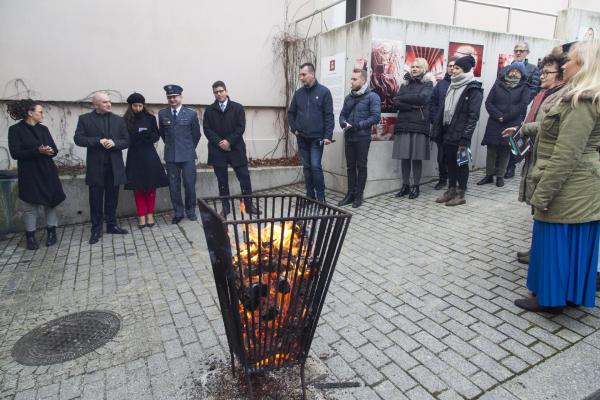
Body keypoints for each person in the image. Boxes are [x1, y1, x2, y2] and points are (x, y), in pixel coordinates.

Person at [514, 40, 600, 312]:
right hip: (580, 184)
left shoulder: (581, 101)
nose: (564, 64)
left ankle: (549, 299)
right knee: (574, 242)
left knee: (554, 241)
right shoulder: (581, 97)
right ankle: (570, 295)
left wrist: (543, 194)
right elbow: (557, 127)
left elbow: (566, 154)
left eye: (570, 60)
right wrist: (527, 128)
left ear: (584, 65)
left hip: (571, 184)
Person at [502, 51, 568, 265]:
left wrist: (524, 129)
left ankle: (538, 252)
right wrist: (520, 129)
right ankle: (535, 248)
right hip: (535, 151)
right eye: (542, 71)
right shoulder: (544, 93)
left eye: (547, 72)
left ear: (561, 74)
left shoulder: (563, 95)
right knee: (534, 204)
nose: (541, 76)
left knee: (541, 204)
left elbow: (550, 125)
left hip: (546, 155)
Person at [7, 99, 66, 250]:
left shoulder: (43, 129)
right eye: (40, 112)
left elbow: (54, 150)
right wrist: (37, 151)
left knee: (50, 202)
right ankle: (30, 237)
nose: (42, 115)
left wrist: (49, 150)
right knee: (29, 205)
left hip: (47, 171)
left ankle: (52, 233)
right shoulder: (15, 130)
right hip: (29, 172)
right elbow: (15, 153)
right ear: (30, 113)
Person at [74, 92, 129, 245]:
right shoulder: (85, 119)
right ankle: (96, 229)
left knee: (112, 198)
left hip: (114, 166)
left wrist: (115, 144)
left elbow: (126, 141)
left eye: (109, 101)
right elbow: (78, 139)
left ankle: (111, 225)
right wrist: (98, 141)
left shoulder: (119, 120)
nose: (109, 104)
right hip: (96, 167)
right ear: (96, 105)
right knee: (96, 200)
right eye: (104, 102)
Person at [432, 55, 483, 206]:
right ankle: (451, 190)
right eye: (452, 67)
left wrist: (466, 137)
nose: (453, 70)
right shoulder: (452, 85)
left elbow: (473, 117)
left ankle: (461, 193)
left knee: (462, 163)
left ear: (465, 70)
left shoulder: (473, 89)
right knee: (450, 162)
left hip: (461, 135)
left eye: (457, 68)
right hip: (448, 132)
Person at [203, 81, 259, 217]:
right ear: (214, 93)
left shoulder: (237, 108)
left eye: (221, 91)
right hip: (217, 151)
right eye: (216, 92)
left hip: (236, 149)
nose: (219, 94)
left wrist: (229, 141)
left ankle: (249, 205)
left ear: (226, 91)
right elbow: (207, 129)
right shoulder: (209, 110)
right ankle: (226, 207)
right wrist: (219, 142)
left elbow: (240, 127)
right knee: (222, 181)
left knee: (244, 178)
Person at [288, 63, 334, 202]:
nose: (301, 78)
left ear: (312, 74)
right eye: (300, 74)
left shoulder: (324, 92)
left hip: (317, 138)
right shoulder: (298, 94)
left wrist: (328, 136)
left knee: (315, 166)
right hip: (302, 137)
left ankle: (321, 197)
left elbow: (329, 115)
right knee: (307, 168)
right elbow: (291, 113)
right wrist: (294, 128)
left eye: (304, 74)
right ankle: (310, 195)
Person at [478, 62, 530, 187]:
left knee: (506, 150)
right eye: (512, 71)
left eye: (517, 71)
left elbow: (522, 105)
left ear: (522, 74)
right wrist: (498, 116)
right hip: (495, 122)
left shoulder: (524, 87)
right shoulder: (498, 84)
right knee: (492, 149)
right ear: (507, 71)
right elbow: (488, 102)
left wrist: (506, 117)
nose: (514, 73)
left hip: (511, 122)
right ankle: (489, 175)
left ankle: (500, 176)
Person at [123, 93, 169, 228]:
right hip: (134, 157)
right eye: (135, 106)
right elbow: (124, 138)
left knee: (150, 188)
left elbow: (156, 135)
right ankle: (141, 216)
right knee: (138, 189)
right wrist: (135, 136)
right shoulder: (125, 120)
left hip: (149, 155)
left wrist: (148, 135)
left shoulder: (150, 118)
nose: (138, 108)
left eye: (140, 105)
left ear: (143, 105)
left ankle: (150, 214)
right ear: (130, 106)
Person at [337, 69, 381, 208]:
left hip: (362, 137)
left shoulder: (373, 97)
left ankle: (359, 195)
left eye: (354, 79)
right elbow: (342, 114)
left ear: (362, 80)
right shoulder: (349, 97)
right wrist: (343, 123)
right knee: (350, 166)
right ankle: (350, 194)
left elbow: (375, 117)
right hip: (349, 136)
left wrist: (357, 126)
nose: (351, 81)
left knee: (361, 166)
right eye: (351, 79)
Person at [158, 84, 201, 224]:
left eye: (175, 96)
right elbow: (163, 134)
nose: (172, 99)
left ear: (180, 97)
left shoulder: (191, 114)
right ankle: (178, 212)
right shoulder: (162, 114)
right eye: (169, 97)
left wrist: (188, 148)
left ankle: (191, 211)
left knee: (189, 185)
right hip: (171, 156)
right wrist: (172, 147)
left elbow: (196, 135)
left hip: (187, 156)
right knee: (173, 186)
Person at [392, 58, 434, 200]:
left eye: (417, 67)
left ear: (423, 69)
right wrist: (411, 105)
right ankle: (405, 185)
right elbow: (396, 102)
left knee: (416, 157)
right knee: (405, 157)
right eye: (412, 66)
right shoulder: (404, 83)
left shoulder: (428, 83)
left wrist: (404, 98)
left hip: (419, 125)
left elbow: (422, 99)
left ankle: (416, 186)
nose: (414, 69)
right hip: (404, 124)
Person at [502, 42, 541, 179]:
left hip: (520, 108)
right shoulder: (507, 68)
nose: (518, 53)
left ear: (527, 53)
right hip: (504, 108)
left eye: (522, 51)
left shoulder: (533, 69)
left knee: (515, 136)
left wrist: (521, 104)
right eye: (516, 50)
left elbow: (534, 89)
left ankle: (511, 166)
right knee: (502, 136)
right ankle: (499, 167)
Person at [430, 56, 460, 190]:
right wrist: (435, 118)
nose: (452, 68)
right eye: (450, 66)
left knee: (454, 156)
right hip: (441, 127)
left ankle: (455, 181)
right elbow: (433, 102)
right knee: (441, 156)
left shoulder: (463, 84)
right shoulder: (441, 84)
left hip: (455, 128)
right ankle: (442, 179)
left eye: (455, 66)